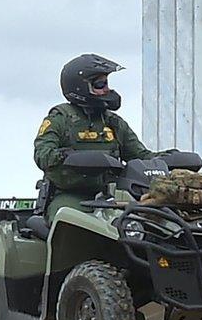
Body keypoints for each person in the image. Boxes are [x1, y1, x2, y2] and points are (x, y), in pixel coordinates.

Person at [33, 54, 156, 218]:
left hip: (113, 195)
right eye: (99, 84)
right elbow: (43, 154)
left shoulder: (113, 121)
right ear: (80, 87)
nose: (106, 89)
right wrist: (71, 158)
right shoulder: (60, 119)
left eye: (106, 83)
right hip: (70, 195)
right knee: (69, 220)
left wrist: (168, 160)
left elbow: (140, 156)